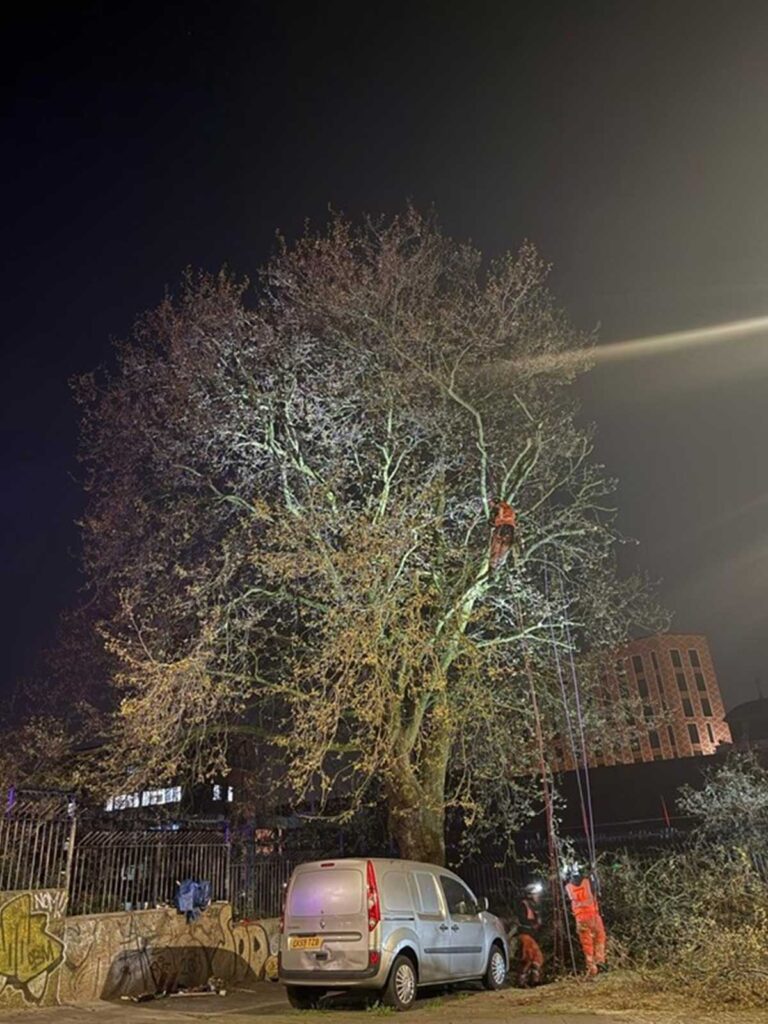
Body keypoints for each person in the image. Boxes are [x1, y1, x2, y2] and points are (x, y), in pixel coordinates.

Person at [564, 864, 606, 977]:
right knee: (600, 936)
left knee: (587, 944)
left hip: (580, 919)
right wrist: (593, 874)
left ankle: (591, 967)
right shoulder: (588, 882)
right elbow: (597, 890)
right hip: (593, 916)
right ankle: (600, 960)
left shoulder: (568, 887)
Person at [514, 881, 544, 987]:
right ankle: (522, 981)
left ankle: (533, 979)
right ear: (530, 895)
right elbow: (522, 919)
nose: (538, 896)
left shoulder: (534, 907)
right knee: (529, 958)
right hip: (525, 934)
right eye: (536, 894)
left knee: (535, 958)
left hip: (530, 935)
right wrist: (533, 923)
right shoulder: (523, 905)